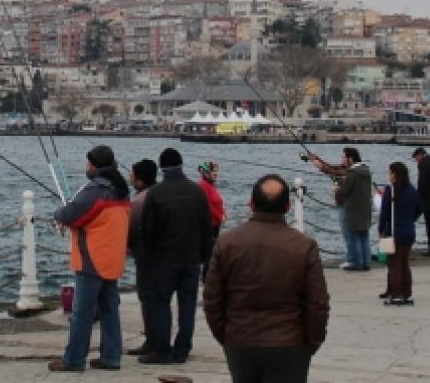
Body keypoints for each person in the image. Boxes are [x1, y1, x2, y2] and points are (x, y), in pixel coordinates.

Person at [204, 174, 329, 383]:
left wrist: (226, 336)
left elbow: (212, 299)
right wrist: (310, 344)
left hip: (240, 340)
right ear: (288, 206)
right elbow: (317, 304)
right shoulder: (304, 246)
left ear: (251, 203)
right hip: (290, 343)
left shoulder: (227, 243)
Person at [49, 145, 132, 372]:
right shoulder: (121, 190)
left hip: (92, 260)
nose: (86, 167)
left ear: (94, 165)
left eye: (88, 163)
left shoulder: (95, 190)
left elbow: (69, 215)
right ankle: (111, 357)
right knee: (109, 310)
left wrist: (58, 213)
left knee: (82, 314)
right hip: (113, 260)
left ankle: (74, 360)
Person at [138, 148, 213, 365]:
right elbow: (206, 228)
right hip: (191, 258)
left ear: (161, 167)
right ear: (181, 165)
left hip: (164, 259)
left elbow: (147, 231)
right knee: (187, 305)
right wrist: (204, 257)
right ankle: (182, 350)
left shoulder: (155, 194)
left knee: (161, 303)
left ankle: (162, 350)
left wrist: (149, 257)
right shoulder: (198, 192)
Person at [378, 161, 423, 306]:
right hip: (409, 230)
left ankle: (396, 294)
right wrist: (410, 219)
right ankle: (407, 293)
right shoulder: (412, 190)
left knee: (394, 264)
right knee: (404, 263)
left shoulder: (390, 191)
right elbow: (419, 208)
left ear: (395, 174)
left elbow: (384, 213)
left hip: (393, 231)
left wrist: (381, 229)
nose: (388, 175)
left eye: (390, 173)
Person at [127, 158, 159, 357]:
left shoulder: (137, 202)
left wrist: (128, 249)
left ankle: (152, 340)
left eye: (132, 174)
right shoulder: (160, 194)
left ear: (139, 180)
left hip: (145, 257)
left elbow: (128, 231)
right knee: (159, 299)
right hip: (164, 255)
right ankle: (159, 338)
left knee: (147, 298)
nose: (129, 177)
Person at [333, 148, 373, 271]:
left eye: (344, 157)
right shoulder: (366, 171)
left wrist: (337, 187)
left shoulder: (352, 173)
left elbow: (344, 191)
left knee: (352, 236)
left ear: (351, 158)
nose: (342, 160)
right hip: (365, 208)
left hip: (353, 209)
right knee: (363, 236)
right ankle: (366, 262)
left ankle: (355, 262)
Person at [197, 160, 226, 280]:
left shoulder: (211, 186)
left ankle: (208, 280)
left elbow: (218, 203)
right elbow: (207, 205)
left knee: (213, 254)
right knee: (209, 255)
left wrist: (223, 213)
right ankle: (206, 281)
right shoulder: (202, 185)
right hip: (208, 226)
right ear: (206, 173)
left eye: (216, 171)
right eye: (213, 171)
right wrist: (220, 216)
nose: (216, 173)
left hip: (215, 225)